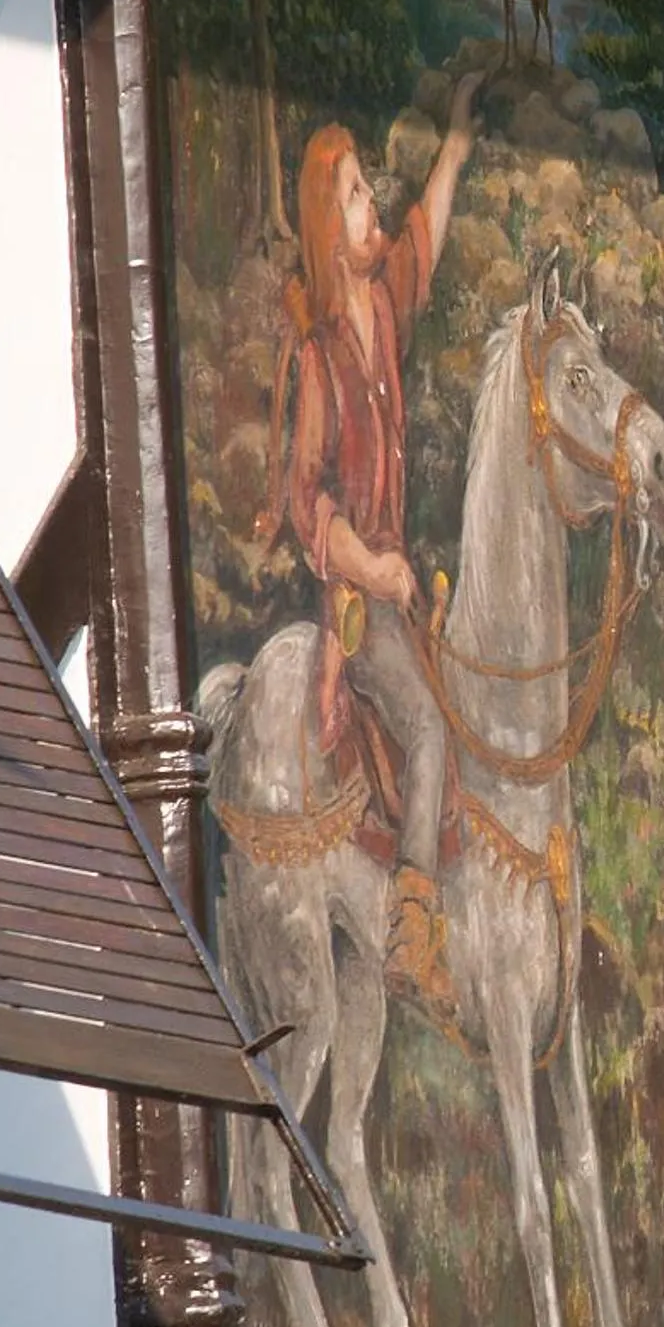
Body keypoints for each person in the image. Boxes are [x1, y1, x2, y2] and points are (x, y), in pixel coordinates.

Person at [263, 73, 483, 1026]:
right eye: (355, 194)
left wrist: (459, 148)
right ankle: (412, 937)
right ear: (327, 224)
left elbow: (423, 242)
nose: (372, 206)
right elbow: (304, 502)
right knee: (431, 729)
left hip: (398, 591)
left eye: (367, 191)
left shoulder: (381, 309)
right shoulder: (318, 355)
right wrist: (369, 567)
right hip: (358, 611)